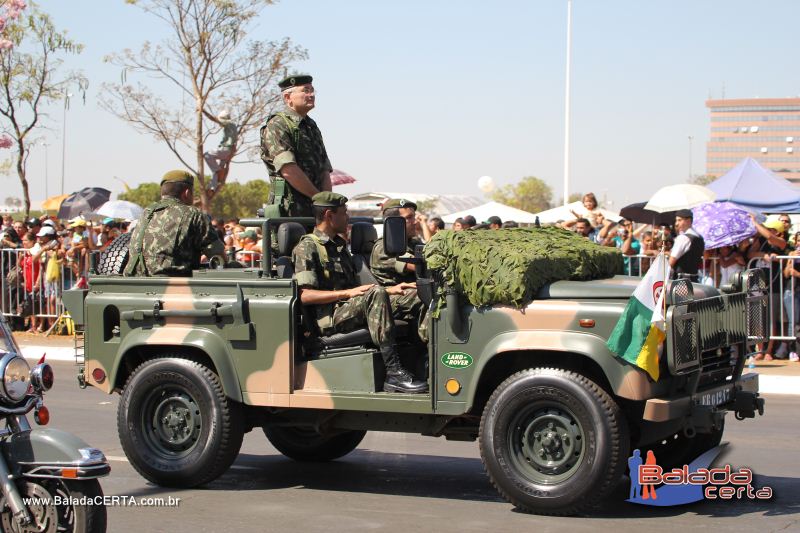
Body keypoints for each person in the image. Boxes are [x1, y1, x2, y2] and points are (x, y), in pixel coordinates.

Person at [292, 192, 427, 393]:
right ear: (329, 215)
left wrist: (393, 290)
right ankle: (394, 373)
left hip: (350, 306)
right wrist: (348, 294)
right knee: (376, 294)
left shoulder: (338, 246)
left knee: (419, 295)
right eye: (344, 213)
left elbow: (361, 289)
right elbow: (305, 295)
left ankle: (425, 362)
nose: (348, 218)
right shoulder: (307, 247)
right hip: (329, 317)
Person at [124, 170, 224, 277]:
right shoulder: (193, 214)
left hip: (136, 282)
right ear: (187, 193)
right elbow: (218, 256)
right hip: (173, 286)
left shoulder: (147, 213)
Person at [261, 74, 332, 217]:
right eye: (305, 90)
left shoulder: (311, 126)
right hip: (290, 212)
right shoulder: (277, 124)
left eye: (312, 90)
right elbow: (288, 169)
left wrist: (327, 202)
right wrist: (318, 198)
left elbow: (324, 169)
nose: (311, 95)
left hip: (317, 211)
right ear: (288, 98)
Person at [370, 199, 428, 343]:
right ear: (394, 223)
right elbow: (421, 265)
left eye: (414, 217)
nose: (415, 221)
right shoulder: (385, 247)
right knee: (427, 295)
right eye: (409, 218)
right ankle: (432, 348)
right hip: (387, 299)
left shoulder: (411, 242)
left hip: (406, 295)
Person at [204, 109, 238, 191]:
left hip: (225, 150)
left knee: (207, 155)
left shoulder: (228, 123)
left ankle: (218, 171)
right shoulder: (232, 126)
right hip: (228, 152)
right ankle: (213, 187)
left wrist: (204, 111)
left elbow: (214, 119)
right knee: (216, 170)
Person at [669, 209, 705, 281]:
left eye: (679, 220)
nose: (676, 223)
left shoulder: (683, 238)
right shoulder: (699, 237)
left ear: (688, 221)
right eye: (676, 220)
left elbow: (672, 260)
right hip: (694, 279)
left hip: (681, 280)